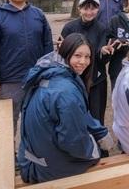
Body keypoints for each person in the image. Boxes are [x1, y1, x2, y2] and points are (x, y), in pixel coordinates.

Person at [17, 33, 115, 183]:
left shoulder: (49, 73)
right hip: (46, 169)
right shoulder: (66, 91)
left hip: (31, 157)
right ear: (66, 53)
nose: (83, 62)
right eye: (78, 55)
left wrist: (99, 132)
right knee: (95, 156)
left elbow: (78, 112)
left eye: (87, 57)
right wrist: (94, 150)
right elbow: (72, 141)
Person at [0, 0, 53, 133]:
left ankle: (34, 148)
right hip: (10, 80)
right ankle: (9, 149)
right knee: (8, 123)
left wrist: (49, 70)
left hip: (37, 77)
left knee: (38, 120)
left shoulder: (38, 15)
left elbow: (47, 45)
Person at [60, 0, 109, 124]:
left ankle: (97, 136)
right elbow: (62, 53)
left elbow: (103, 58)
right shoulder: (69, 27)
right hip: (73, 78)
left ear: (98, 9)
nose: (89, 12)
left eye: (93, 8)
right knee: (72, 113)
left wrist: (104, 52)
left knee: (96, 115)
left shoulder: (102, 28)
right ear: (79, 9)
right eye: (85, 8)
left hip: (95, 79)